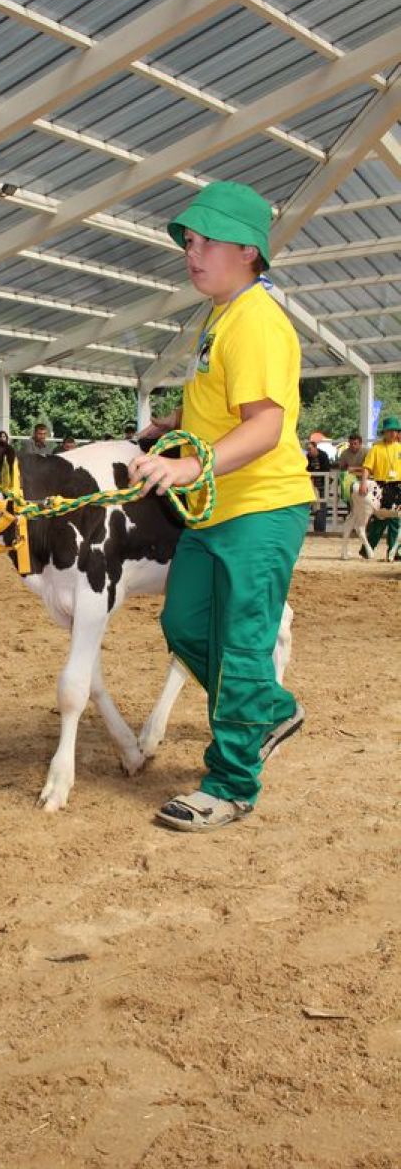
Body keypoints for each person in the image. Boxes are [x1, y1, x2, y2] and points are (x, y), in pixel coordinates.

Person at [128, 179, 315, 833]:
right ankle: (266, 708)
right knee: (184, 624)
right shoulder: (222, 317)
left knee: (240, 644)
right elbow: (223, 406)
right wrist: (172, 424)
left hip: (261, 507)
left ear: (246, 248)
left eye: (204, 240)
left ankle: (232, 784)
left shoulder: (259, 320)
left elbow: (265, 426)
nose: (191, 251)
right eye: (188, 240)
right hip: (213, 508)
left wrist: (184, 464)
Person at [358, 415, 401, 559]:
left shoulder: (400, 448)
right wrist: (363, 483)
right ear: (384, 432)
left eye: (395, 431)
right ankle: (367, 548)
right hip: (380, 487)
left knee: (395, 520)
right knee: (378, 520)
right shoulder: (376, 448)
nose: (393, 433)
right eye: (390, 431)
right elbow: (367, 467)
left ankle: (394, 552)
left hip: (397, 487)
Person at [306, 437, 331, 533]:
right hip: (313, 484)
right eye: (308, 450)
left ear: (315, 448)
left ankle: (320, 529)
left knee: (322, 506)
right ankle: (317, 528)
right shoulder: (308, 457)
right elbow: (307, 469)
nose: (309, 452)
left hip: (322, 484)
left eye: (310, 449)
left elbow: (326, 470)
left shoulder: (323, 455)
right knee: (316, 506)